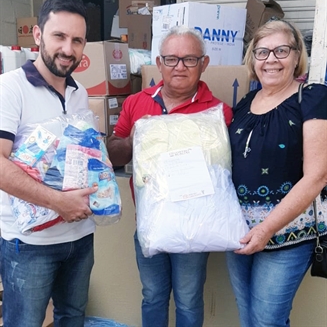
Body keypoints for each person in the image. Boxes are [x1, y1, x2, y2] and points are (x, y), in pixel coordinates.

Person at [107, 25, 233, 327]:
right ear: (159, 63)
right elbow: (112, 155)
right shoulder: (136, 103)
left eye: (190, 59)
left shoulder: (219, 113)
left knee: (189, 299)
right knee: (152, 294)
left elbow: (227, 175)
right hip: (150, 222)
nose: (180, 66)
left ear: (203, 64)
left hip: (196, 226)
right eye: (171, 59)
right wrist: (129, 141)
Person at [0, 0, 98, 326]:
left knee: (73, 318)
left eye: (77, 40)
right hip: (29, 243)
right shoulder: (10, 89)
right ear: (38, 35)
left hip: (80, 237)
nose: (68, 49)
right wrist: (59, 202)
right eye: (59, 36)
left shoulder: (80, 93)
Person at [226, 19, 327, 327]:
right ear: (252, 60)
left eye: (281, 50)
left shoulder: (312, 98)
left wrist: (266, 229)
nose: (271, 59)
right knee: (248, 319)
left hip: (287, 236)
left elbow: (318, 176)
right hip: (239, 234)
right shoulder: (244, 104)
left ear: (297, 56)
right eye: (262, 52)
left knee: (267, 322)